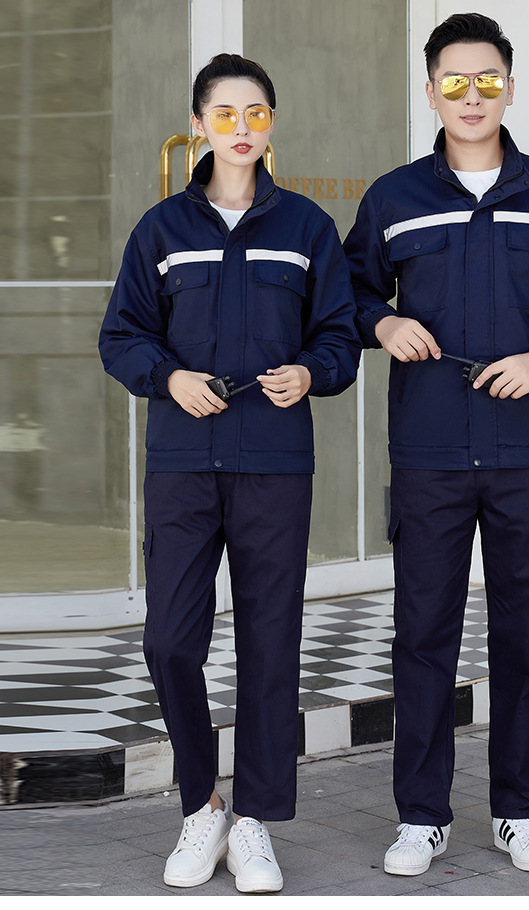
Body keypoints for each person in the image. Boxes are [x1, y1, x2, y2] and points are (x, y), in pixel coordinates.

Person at [344, 13, 529, 877]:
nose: (472, 97)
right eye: (455, 82)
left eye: (489, 80)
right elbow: (347, 294)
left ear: (510, 87)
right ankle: (421, 817)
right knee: (423, 634)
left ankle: (518, 812)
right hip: (429, 450)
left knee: (523, 636)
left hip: (525, 451)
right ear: (430, 92)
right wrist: (383, 322)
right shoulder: (394, 197)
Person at [99, 53, 360, 893]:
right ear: (198, 125)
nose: (241, 128)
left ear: (271, 123)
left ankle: (254, 822)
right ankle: (201, 804)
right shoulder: (162, 230)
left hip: (274, 463)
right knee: (169, 640)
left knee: (270, 643)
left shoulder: (307, 228)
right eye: (224, 114)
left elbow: (340, 334)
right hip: (183, 461)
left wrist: (311, 372)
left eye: (255, 113)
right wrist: (168, 377)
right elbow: (121, 335)